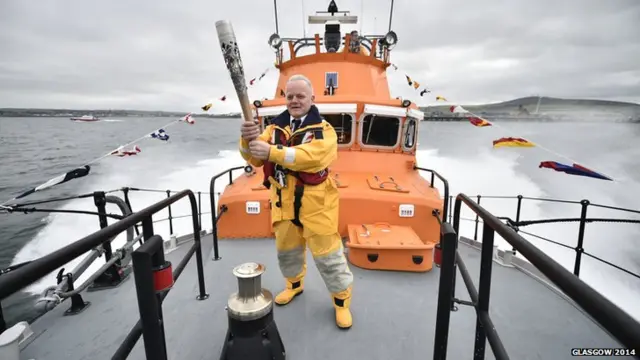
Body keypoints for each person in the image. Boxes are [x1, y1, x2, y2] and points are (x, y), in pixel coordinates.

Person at [238, 74, 354, 329]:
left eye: (300, 96)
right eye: (290, 96)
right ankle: (294, 286)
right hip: (282, 201)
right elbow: (254, 159)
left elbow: (312, 157)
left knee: (328, 256)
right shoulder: (273, 130)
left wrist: (271, 151)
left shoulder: (324, 131)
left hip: (317, 204)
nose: (294, 100)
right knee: (287, 251)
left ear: (312, 99)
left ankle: (341, 302)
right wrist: (247, 140)